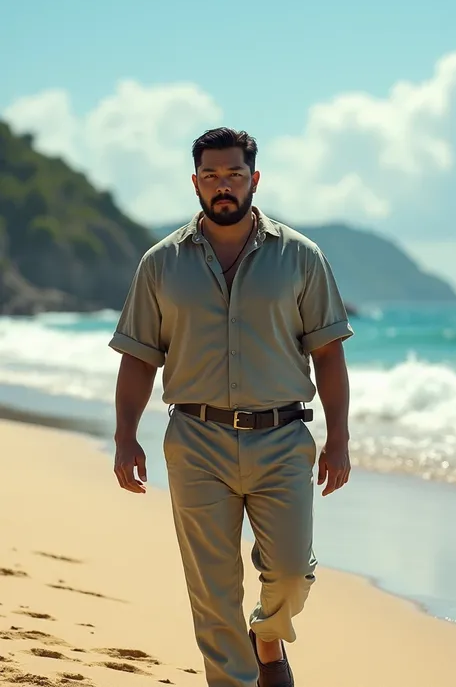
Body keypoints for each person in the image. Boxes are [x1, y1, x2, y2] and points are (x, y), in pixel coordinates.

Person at [108, 127, 354, 687]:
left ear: (254, 179)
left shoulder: (301, 257)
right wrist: (125, 436)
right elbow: (140, 358)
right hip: (195, 441)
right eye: (212, 176)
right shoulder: (160, 263)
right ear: (195, 182)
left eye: (234, 175)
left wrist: (338, 439)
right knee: (213, 591)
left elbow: (329, 355)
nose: (224, 187)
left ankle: (267, 637)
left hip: (282, 437)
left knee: (291, 574)